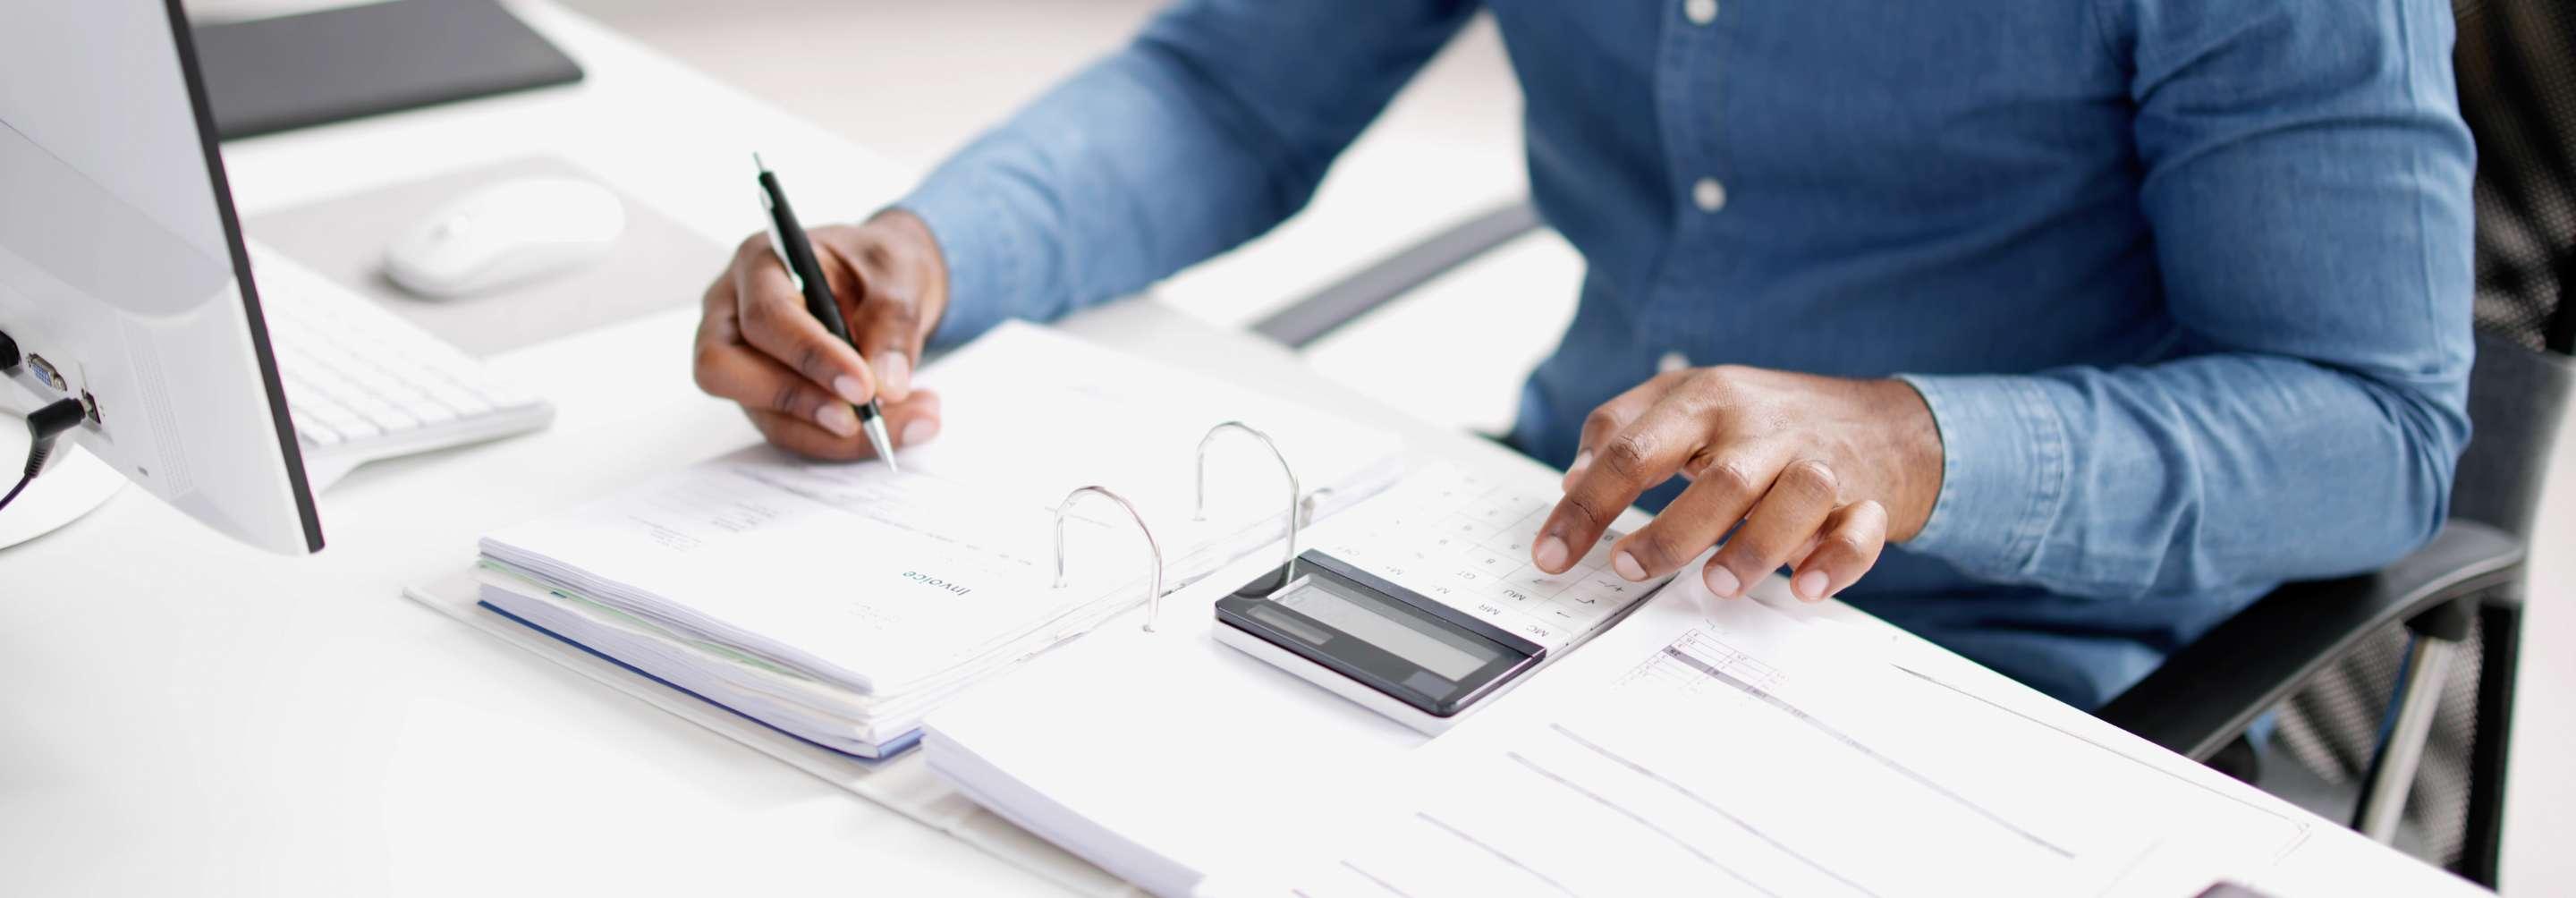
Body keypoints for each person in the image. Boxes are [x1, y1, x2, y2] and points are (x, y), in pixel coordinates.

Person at [690, 0, 2474, 709]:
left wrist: (1914, 443)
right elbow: (1229, 89)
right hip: (1544, 561)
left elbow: (2375, 423)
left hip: (1986, 668)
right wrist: (928, 255)